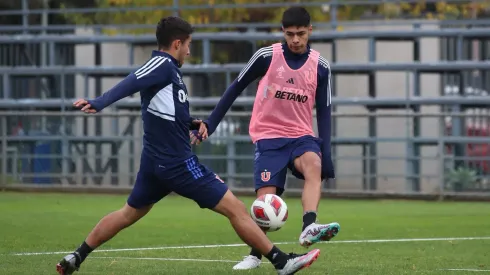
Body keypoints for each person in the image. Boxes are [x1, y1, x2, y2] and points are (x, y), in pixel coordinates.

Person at [55, 16, 321, 275]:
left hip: (156, 162)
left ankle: (77, 255)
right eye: (189, 45)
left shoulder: (169, 72)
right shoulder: (161, 64)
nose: (190, 51)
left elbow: (167, 112)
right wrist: (100, 102)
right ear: (177, 44)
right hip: (176, 163)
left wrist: (192, 123)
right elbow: (133, 80)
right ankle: (281, 262)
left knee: (128, 213)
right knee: (236, 209)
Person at [191, 7, 340, 270]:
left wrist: (326, 152)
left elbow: (325, 111)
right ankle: (255, 255)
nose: (295, 39)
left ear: (310, 32)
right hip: (269, 137)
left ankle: (309, 226)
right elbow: (235, 87)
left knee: (314, 164)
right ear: (283, 31)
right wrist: (210, 124)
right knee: (266, 202)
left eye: (301, 34)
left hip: (301, 136)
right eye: (290, 34)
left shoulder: (321, 67)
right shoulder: (266, 56)